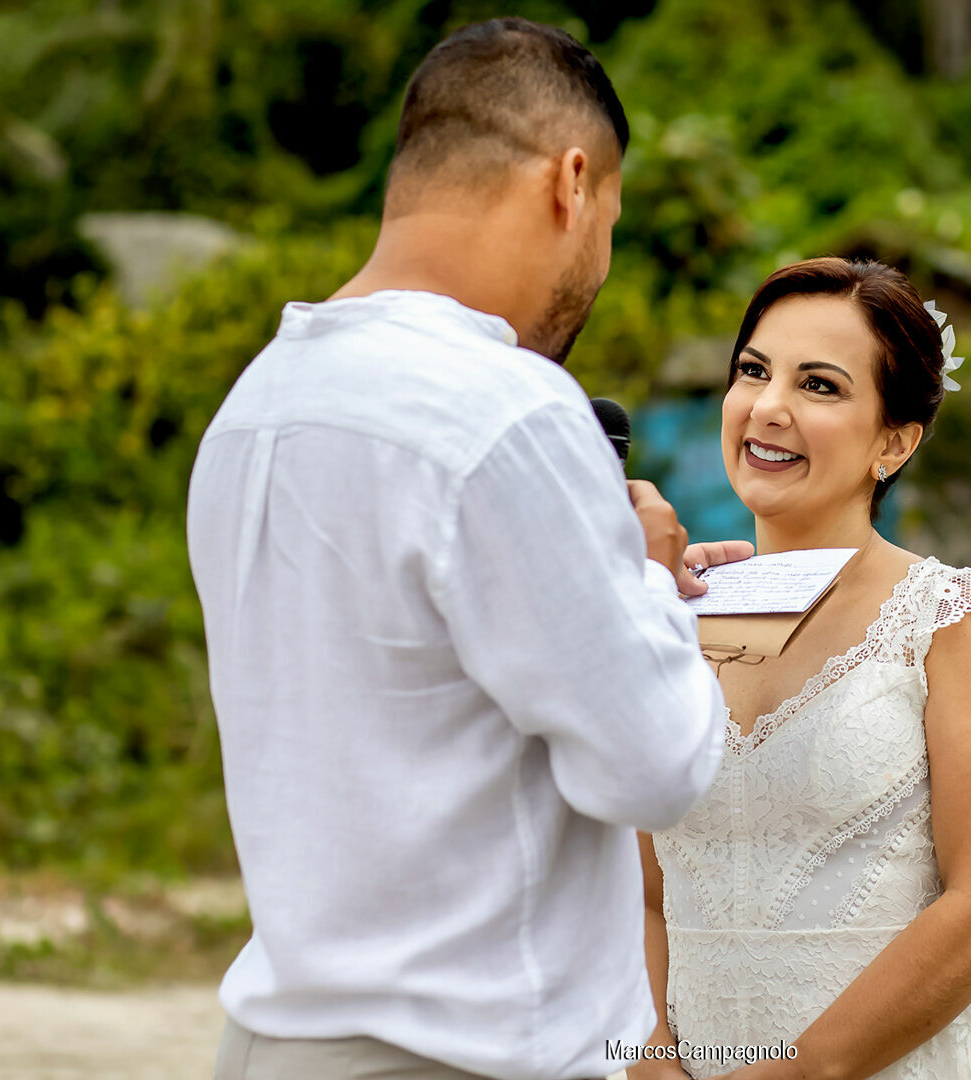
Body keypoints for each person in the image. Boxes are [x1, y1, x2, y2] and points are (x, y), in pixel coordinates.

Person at [187, 18, 747, 1080]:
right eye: (610, 227)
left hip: (279, 1038)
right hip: (465, 1053)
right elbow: (654, 764)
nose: (599, 266)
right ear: (569, 184)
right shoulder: (508, 409)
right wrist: (643, 573)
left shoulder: (254, 407)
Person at [633, 258, 971, 1080]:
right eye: (753, 372)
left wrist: (797, 1075)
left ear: (894, 441)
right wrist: (646, 1058)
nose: (767, 408)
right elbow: (642, 893)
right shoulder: (668, 617)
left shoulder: (953, 620)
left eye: (820, 386)